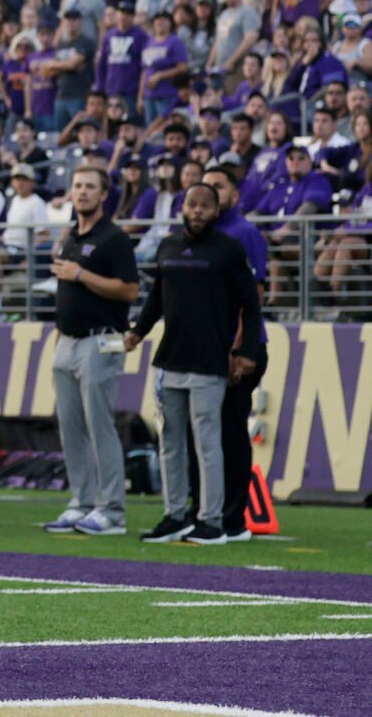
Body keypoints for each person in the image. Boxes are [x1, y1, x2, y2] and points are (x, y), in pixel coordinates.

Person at [128, 182, 263, 545]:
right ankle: (174, 516)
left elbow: (251, 303)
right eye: (192, 204)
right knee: (169, 442)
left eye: (206, 205)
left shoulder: (228, 250)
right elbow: (157, 297)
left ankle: (212, 520)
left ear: (216, 211)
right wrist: (137, 333)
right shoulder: (168, 245)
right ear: (182, 207)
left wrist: (246, 351)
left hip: (209, 361)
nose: (198, 210)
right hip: (170, 358)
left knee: (207, 442)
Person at [43, 165, 140, 537]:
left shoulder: (114, 238)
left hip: (100, 341)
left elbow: (129, 290)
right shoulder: (70, 236)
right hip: (66, 341)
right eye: (77, 186)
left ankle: (112, 509)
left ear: (104, 195)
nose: (81, 192)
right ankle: (81, 502)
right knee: (70, 428)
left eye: (89, 187)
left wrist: (81, 275)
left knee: (100, 427)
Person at [200, 162, 269, 542]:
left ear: (235, 194)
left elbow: (254, 294)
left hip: (238, 349)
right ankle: (208, 511)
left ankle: (234, 518)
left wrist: (241, 348)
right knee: (207, 433)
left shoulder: (244, 232)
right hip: (206, 348)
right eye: (205, 186)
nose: (211, 193)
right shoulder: (202, 235)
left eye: (219, 187)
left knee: (230, 430)